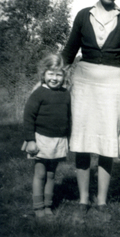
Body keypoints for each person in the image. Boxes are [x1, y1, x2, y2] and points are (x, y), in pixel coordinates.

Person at [61, 0, 120, 219]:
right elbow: (70, 51)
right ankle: (83, 200)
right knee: (82, 142)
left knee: (107, 144)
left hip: (113, 84)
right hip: (84, 83)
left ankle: (102, 203)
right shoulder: (84, 15)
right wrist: (50, 76)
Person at [22, 54, 71, 218]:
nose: (54, 78)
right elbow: (28, 117)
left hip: (58, 140)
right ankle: (38, 207)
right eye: (51, 73)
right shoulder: (39, 93)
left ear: (64, 76)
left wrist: (68, 138)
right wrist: (30, 140)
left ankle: (48, 206)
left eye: (58, 74)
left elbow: (68, 117)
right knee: (40, 174)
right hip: (40, 139)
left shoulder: (66, 94)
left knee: (51, 175)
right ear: (43, 74)